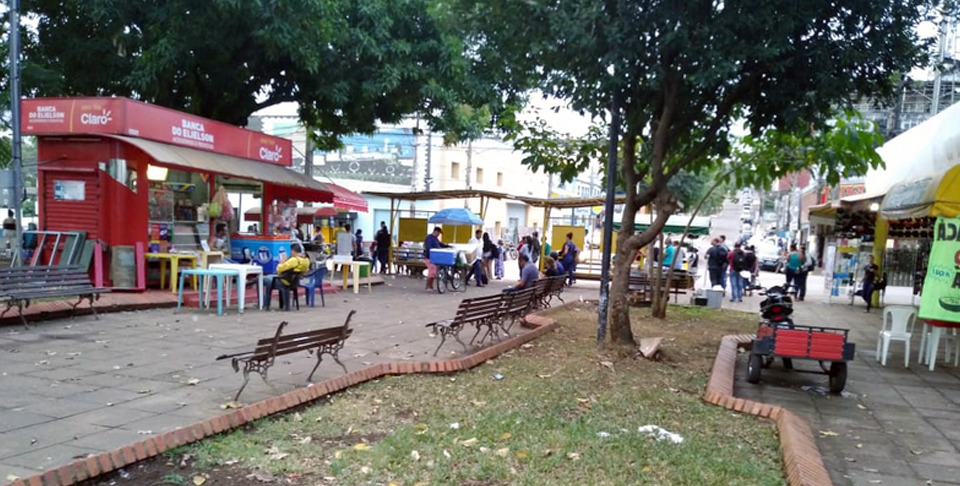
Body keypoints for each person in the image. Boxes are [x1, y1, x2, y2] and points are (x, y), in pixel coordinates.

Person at [262, 244, 311, 309]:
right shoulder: (306, 260)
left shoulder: (294, 260)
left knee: (265, 280)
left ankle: (265, 304)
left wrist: (283, 262)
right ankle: (278, 304)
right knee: (269, 278)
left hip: (284, 281)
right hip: (294, 282)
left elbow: (279, 269)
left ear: (293, 251)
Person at [423, 227, 451, 291]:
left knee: (433, 272)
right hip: (429, 257)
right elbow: (429, 247)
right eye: (438, 233)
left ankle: (431, 286)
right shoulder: (429, 238)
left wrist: (447, 246)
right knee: (432, 271)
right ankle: (428, 286)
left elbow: (440, 244)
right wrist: (436, 250)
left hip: (435, 258)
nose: (438, 234)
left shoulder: (435, 239)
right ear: (435, 231)